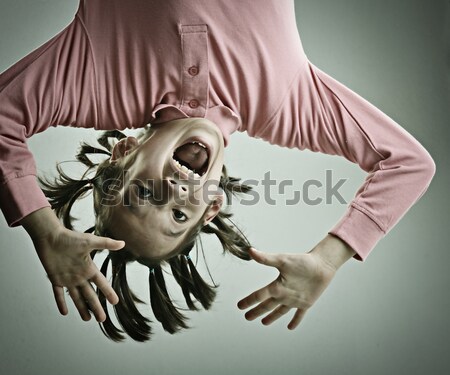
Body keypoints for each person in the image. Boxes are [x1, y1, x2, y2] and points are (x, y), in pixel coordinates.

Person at [0, 0, 435, 342]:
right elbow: (408, 164)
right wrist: (329, 257)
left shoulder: (93, 83)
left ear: (123, 152)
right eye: (178, 216)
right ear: (211, 207)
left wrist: (44, 229)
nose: (172, 192)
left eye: (145, 195)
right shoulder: (284, 105)